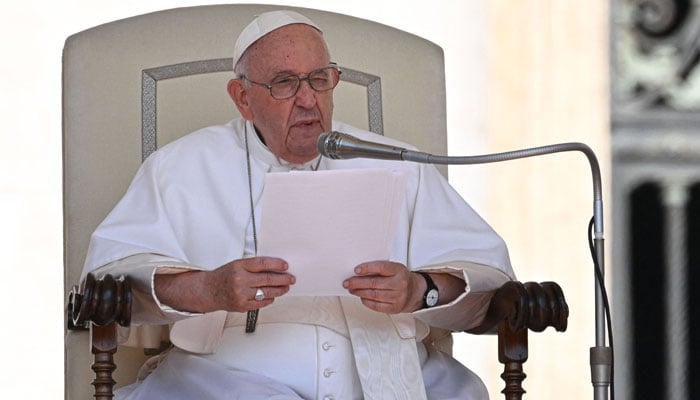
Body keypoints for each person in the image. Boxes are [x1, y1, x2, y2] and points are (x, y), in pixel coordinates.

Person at [81, 10, 514, 400]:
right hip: (224, 379)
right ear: (243, 98)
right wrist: (209, 289)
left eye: (320, 79)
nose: (308, 99)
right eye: (285, 83)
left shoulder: (399, 162)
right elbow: (109, 282)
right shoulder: (179, 168)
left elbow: (488, 280)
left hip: (389, 372)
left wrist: (421, 289)